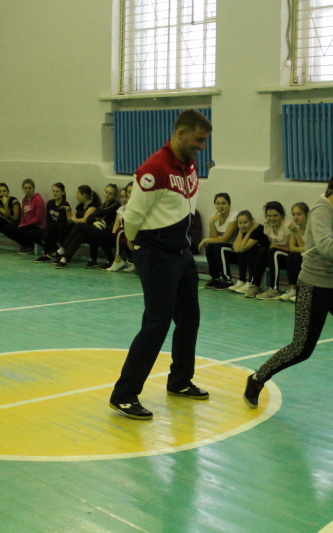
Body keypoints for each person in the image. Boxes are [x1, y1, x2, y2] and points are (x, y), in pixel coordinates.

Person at [243, 163, 333, 412]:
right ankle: (256, 379)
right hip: (314, 286)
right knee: (301, 349)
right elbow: (325, 245)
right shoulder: (321, 210)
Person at [109, 109, 212, 420]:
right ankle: (124, 394)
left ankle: (180, 380)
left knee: (189, 319)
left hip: (181, 253)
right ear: (180, 134)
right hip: (155, 253)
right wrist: (134, 244)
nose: (202, 146)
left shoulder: (189, 163)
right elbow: (132, 215)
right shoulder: (154, 169)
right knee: (157, 323)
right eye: (198, 140)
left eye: (204, 141)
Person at [54, 185, 118, 269]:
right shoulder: (102, 205)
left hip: (108, 233)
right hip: (98, 230)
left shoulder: (115, 205)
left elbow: (94, 215)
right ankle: (64, 259)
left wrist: (95, 216)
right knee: (81, 234)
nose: (107, 195)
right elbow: (91, 218)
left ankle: (63, 249)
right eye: (106, 192)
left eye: (110, 194)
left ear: (114, 196)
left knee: (81, 226)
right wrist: (95, 216)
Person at [247, 202, 291, 300]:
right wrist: (274, 246)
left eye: (275, 215)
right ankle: (255, 285)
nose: (272, 218)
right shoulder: (267, 226)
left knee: (273, 252)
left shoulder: (287, 226)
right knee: (263, 251)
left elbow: (291, 248)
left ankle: (274, 289)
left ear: (282, 215)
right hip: (275, 256)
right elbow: (271, 245)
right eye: (269, 216)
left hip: (288, 258)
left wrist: (276, 246)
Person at [51, 185, 100, 264]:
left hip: (88, 233)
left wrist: (74, 219)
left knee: (79, 234)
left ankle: (64, 255)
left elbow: (84, 221)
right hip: (77, 229)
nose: (76, 196)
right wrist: (68, 211)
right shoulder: (80, 205)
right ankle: (62, 254)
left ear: (84, 195)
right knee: (62, 227)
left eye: (78, 194)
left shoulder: (93, 206)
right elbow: (71, 220)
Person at [199, 193, 239, 290]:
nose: (220, 206)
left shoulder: (234, 216)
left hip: (235, 251)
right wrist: (211, 222)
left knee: (219, 247)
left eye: (223, 203)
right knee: (210, 247)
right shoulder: (215, 217)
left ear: (229, 204)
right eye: (218, 203)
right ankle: (215, 278)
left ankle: (227, 280)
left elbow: (225, 239)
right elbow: (213, 238)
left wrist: (204, 240)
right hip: (223, 250)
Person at [228, 210, 269, 294]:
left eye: (245, 222)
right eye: (240, 223)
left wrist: (250, 231)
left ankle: (251, 282)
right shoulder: (242, 229)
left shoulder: (258, 229)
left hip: (265, 258)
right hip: (250, 254)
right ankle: (242, 280)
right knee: (242, 253)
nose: (242, 225)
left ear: (251, 222)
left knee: (250, 251)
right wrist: (241, 230)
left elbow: (242, 248)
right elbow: (236, 248)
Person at [33, 183, 72, 262]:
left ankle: (47, 253)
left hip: (61, 230)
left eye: (57, 191)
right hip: (51, 228)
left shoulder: (65, 204)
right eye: (54, 191)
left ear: (63, 192)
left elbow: (61, 221)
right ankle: (53, 251)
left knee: (51, 232)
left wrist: (49, 229)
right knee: (33, 233)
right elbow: (48, 219)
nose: (55, 193)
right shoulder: (50, 203)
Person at [280, 202, 309, 303]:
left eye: (299, 214)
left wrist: (297, 233)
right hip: (302, 254)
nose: (296, 217)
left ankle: (301, 291)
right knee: (291, 256)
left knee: (298, 258)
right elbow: (292, 248)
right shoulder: (294, 228)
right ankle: (293, 289)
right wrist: (301, 248)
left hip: (313, 257)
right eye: (293, 214)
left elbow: (307, 250)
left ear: (306, 215)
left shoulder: (311, 228)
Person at [106, 182, 136, 272]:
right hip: (126, 234)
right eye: (129, 192)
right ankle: (134, 262)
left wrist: (131, 238)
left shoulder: (138, 206)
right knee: (122, 240)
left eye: (133, 191)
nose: (130, 194)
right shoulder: (123, 208)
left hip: (138, 235)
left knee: (120, 231)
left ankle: (117, 260)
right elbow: (117, 224)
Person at [11, 179, 46, 254]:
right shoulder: (24, 200)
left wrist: (25, 225)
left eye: (29, 188)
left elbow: (38, 218)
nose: (27, 190)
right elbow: (23, 215)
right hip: (27, 224)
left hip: (37, 225)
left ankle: (30, 246)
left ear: (33, 188)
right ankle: (24, 245)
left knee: (21, 231)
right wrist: (21, 224)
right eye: (25, 188)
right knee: (13, 229)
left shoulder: (39, 200)